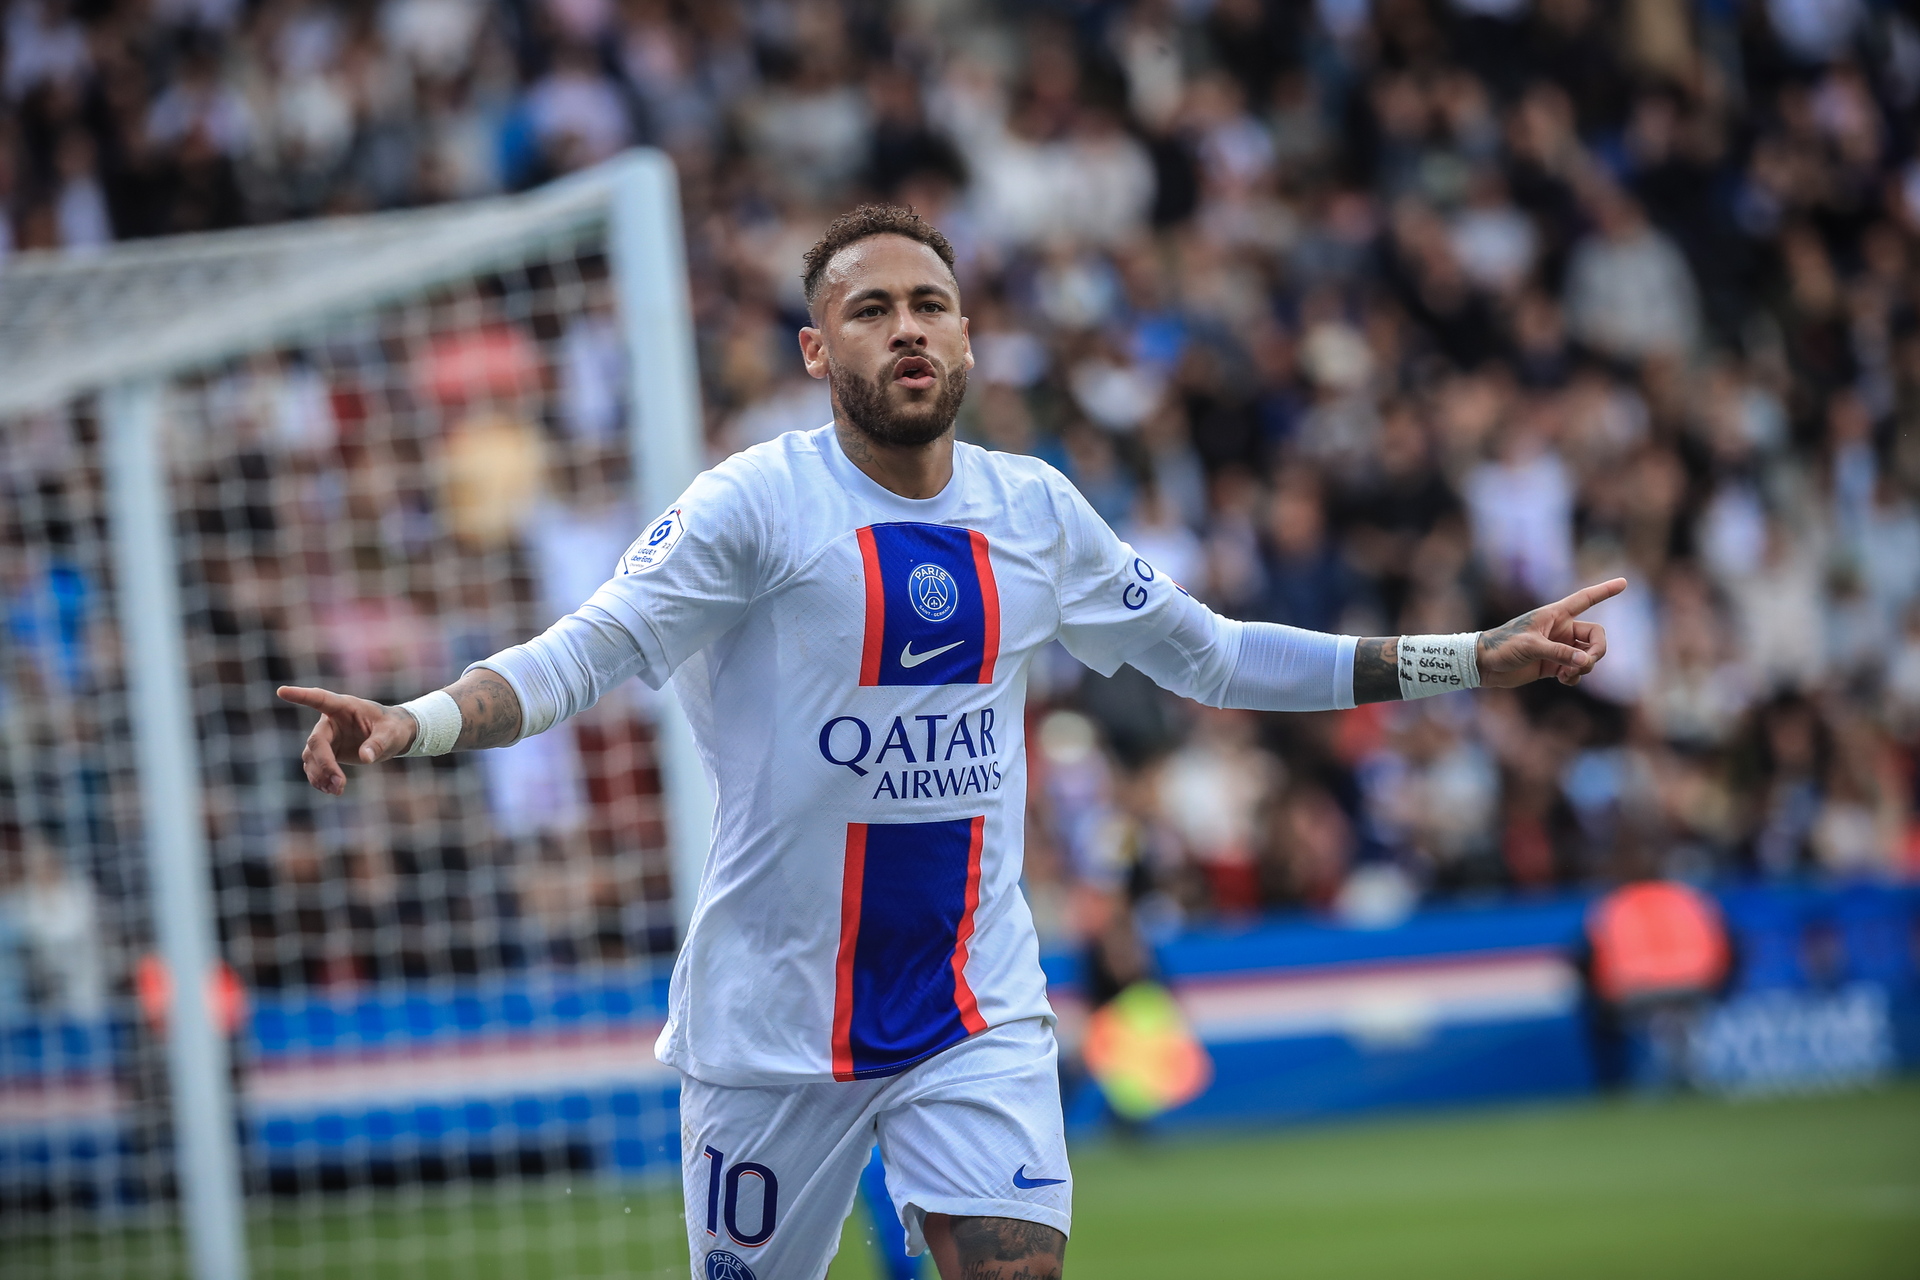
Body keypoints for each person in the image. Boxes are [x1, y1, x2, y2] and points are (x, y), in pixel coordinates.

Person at [280, 206, 1625, 1280]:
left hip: (973, 1007)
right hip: (774, 1024)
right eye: (869, 310)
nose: (907, 328)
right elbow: (586, 652)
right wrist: (418, 720)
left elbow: (1214, 655)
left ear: (970, 341)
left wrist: (1470, 656)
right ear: (818, 354)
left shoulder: (1036, 512)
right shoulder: (753, 506)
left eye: (930, 304)